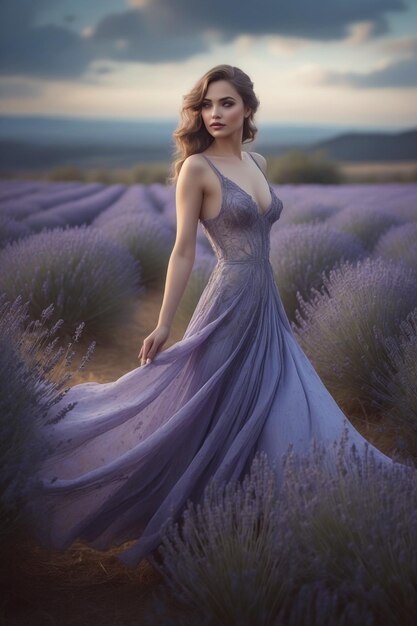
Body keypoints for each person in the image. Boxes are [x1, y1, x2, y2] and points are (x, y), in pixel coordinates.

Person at [23, 64, 402, 569]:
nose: (215, 113)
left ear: (247, 107)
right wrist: (162, 323)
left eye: (226, 102)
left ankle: (263, 517)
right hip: (227, 299)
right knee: (212, 405)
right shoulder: (196, 169)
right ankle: (185, 522)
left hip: (265, 300)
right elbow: (182, 252)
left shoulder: (258, 162)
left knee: (274, 400)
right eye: (206, 104)